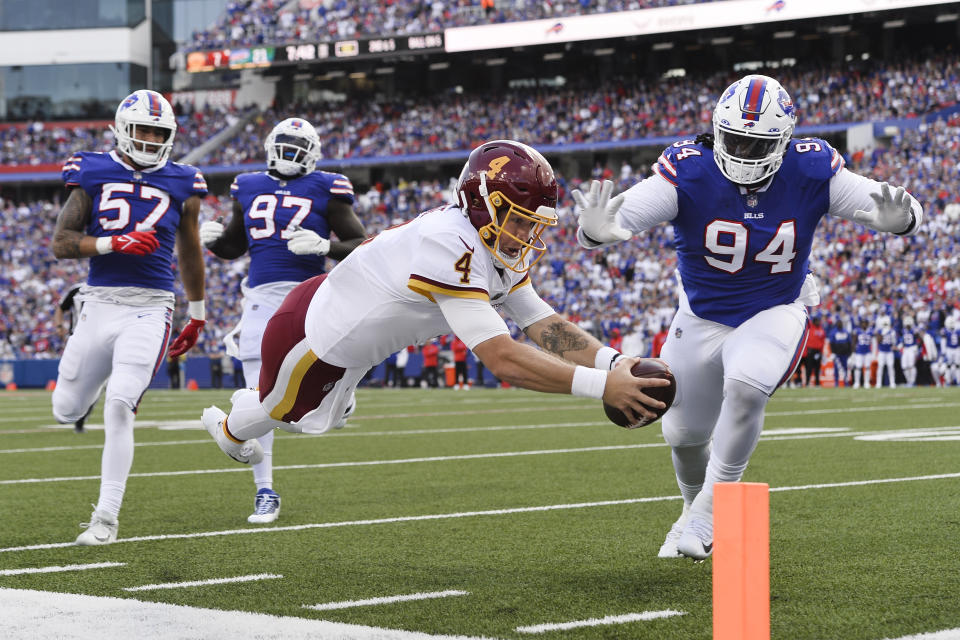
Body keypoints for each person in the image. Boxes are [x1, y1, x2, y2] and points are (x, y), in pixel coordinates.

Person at [573, 74, 923, 560]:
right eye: (734, 138)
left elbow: (902, 208)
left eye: (756, 143)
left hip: (774, 308)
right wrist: (596, 231)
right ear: (716, 130)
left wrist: (899, 221)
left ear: (784, 141)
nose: (742, 151)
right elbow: (620, 216)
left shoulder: (811, 168)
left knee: (745, 384)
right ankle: (692, 510)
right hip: (701, 315)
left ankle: (711, 513)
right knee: (683, 434)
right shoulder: (690, 171)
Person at [199, 139, 670, 478]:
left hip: (355, 334)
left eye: (533, 224)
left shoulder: (491, 246)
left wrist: (615, 361)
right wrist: (603, 385)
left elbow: (542, 322)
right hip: (311, 334)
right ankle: (229, 427)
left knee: (325, 413)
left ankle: (300, 401)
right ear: (483, 205)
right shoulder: (450, 243)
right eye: (519, 220)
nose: (527, 235)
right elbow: (503, 357)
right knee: (285, 415)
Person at [50, 89, 208, 546]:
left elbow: (190, 249)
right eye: (141, 129)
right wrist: (111, 243)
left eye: (158, 132)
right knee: (66, 411)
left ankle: (106, 519)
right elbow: (61, 242)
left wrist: (196, 313)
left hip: (151, 307)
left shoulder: (184, 181)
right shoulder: (93, 169)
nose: (149, 138)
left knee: (121, 406)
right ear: (121, 128)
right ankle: (97, 380)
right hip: (98, 302)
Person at [200, 117, 367, 524]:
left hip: (312, 298)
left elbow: (363, 245)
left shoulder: (328, 186)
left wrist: (327, 244)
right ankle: (265, 491)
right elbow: (235, 245)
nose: (290, 153)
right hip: (260, 302)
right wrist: (214, 240)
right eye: (285, 144)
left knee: (311, 409)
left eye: (298, 145)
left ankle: (337, 401)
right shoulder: (248, 184)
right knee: (267, 401)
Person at [55, 282, 96, 433]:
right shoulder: (76, 290)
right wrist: (59, 326)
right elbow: (60, 307)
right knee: (72, 377)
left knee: (96, 384)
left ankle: (79, 420)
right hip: (77, 340)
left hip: (99, 342)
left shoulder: (108, 289)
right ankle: (65, 409)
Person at [801, 315, 825, 386]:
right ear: (814, 322)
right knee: (809, 368)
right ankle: (808, 382)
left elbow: (823, 341)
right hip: (810, 351)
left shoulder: (821, 329)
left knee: (817, 368)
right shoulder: (810, 328)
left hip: (818, 351)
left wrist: (821, 351)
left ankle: (817, 383)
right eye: (817, 321)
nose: (819, 322)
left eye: (819, 321)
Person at [851, 318, 875, 389]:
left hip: (867, 352)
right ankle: (857, 383)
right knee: (858, 367)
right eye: (863, 323)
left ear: (867, 324)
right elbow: (854, 342)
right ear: (861, 324)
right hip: (859, 352)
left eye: (865, 323)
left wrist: (873, 353)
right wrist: (853, 353)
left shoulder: (870, 331)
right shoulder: (857, 331)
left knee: (867, 367)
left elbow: (873, 343)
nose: (864, 324)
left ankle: (866, 382)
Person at [828, 319, 852, 387]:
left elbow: (849, 343)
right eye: (838, 323)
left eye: (840, 323)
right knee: (836, 368)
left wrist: (850, 353)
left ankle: (846, 382)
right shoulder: (834, 332)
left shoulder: (845, 331)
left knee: (845, 368)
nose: (840, 324)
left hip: (844, 353)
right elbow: (831, 343)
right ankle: (836, 382)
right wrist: (833, 352)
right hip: (837, 353)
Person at [875, 316, 897, 388]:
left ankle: (892, 383)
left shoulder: (892, 332)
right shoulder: (880, 331)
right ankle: (878, 383)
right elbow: (878, 341)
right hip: (882, 351)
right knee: (880, 366)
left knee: (890, 367)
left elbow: (894, 343)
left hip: (889, 351)